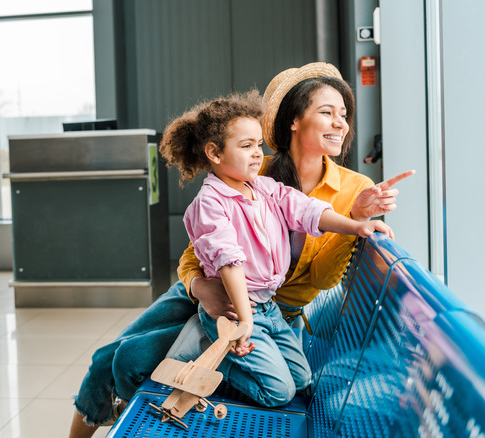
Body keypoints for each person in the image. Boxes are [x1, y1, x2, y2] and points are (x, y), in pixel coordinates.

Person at [68, 62, 414, 438]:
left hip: (270, 311)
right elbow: (194, 254)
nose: (341, 124)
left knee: (128, 359)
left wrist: (356, 219)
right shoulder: (251, 168)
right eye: (327, 113)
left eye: (344, 115)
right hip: (205, 294)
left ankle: (140, 408)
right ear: (293, 120)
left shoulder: (353, 188)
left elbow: (322, 276)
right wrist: (203, 290)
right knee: (109, 359)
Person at [159, 89, 393, 407]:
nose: (257, 154)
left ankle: (235, 355)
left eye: (258, 145)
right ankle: (215, 358)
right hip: (236, 312)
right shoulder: (210, 205)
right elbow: (229, 261)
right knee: (278, 394)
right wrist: (243, 322)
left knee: (301, 381)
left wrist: (357, 225)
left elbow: (308, 210)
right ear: (214, 153)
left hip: (270, 309)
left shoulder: (265, 187)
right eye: (246, 146)